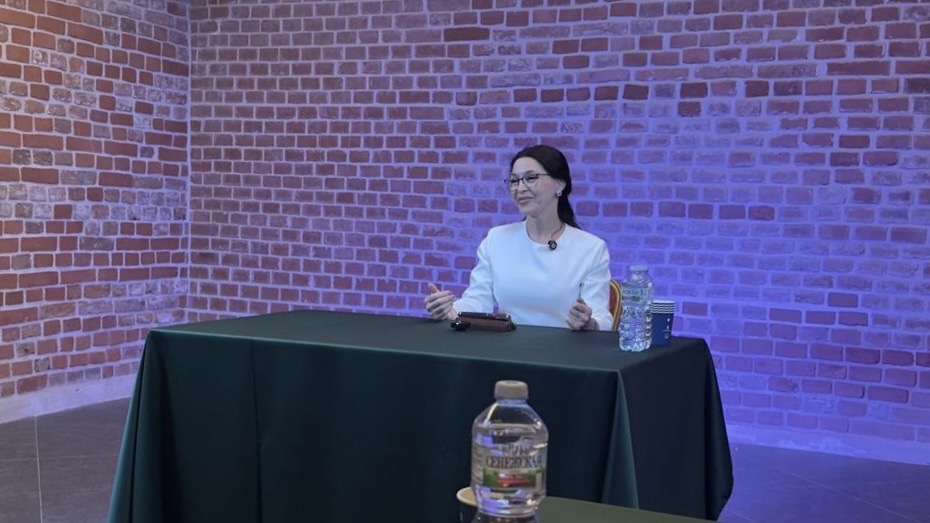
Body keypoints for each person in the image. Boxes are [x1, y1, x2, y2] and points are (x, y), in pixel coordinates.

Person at [425, 144, 613, 331]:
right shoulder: (497, 239)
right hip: (507, 345)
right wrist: (450, 311)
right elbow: (477, 300)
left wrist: (589, 323)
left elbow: (601, 318)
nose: (520, 188)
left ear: (560, 184)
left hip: (564, 347)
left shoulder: (591, 248)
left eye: (531, 178)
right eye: (514, 181)